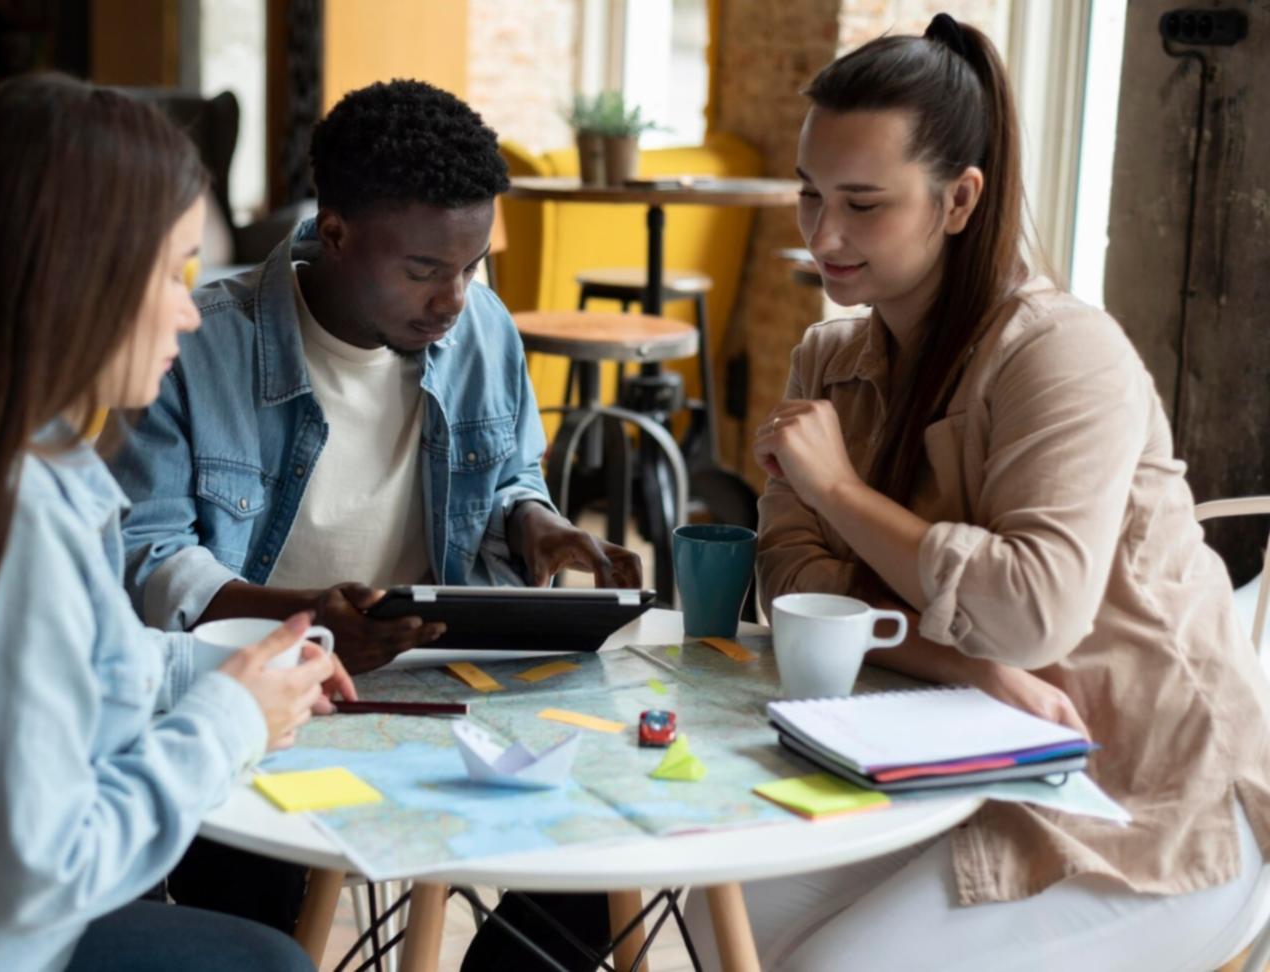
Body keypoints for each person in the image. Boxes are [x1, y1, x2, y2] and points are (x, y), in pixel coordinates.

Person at [686, 14, 1270, 969]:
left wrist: (836, 490)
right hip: (954, 749)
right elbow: (791, 586)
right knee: (718, 911)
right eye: (810, 196)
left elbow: (1032, 615)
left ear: (958, 200)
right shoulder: (828, 356)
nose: (824, 234)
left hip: (1147, 798)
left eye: (864, 204)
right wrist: (967, 669)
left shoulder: (1061, 351)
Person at [0, 74, 355, 972]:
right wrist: (229, 720)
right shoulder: (9, 520)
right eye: (174, 271)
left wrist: (228, 665)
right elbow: (38, 872)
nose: (190, 307)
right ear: (77, 277)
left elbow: (71, 661)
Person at [107, 78, 642, 934]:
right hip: (263, 691)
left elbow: (507, 474)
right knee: (255, 907)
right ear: (337, 232)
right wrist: (307, 626)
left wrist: (532, 522)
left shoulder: (483, 330)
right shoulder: (197, 342)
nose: (454, 300)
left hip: (446, 684)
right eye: (426, 270)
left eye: (473, 267)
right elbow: (149, 558)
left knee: (612, 853)